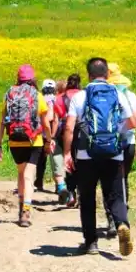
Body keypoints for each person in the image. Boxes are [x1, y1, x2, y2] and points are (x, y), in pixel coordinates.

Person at [61, 57, 136, 257]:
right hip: (113, 154)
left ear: (89, 75)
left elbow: (69, 127)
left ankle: (91, 243)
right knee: (115, 194)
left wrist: (68, 153)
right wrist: (115, 137)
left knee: (87, 198)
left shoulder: (80, 96)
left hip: (86, 155)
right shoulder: (118, 94)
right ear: (107, 74)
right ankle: (121, 223)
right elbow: (131, 123)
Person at [0, 64, 49, 228]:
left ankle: (20, 208)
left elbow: (2, 121)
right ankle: (26, 211)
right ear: (33, 79)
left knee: (21, 173)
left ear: (18, 78)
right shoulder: (37, 96)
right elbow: (46, 123)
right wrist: (49, 139)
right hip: (34, 141)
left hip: (15, 140)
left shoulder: (9, 94)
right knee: (29, 176)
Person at [103, 64, 136, 236]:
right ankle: (122, 217)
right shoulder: (130, 96)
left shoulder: (102, 95)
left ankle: (112, 219)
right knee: (122, 178)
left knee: (109, 179)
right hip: (129, 142)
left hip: (108, 143)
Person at [56, 73, 81, 207]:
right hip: (82, 133)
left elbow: (57, 117)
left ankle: (71, 194)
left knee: (68, 162)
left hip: (65, 133)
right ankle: (82, 193)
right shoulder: (84, 95)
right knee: (82, 163)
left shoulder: (60, 98)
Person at [35, 78, 59, 194]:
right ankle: (58, 186)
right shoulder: (55, 99)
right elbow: (51, 118)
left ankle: (39, 182)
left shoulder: (40, 98)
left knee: (41, 160)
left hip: (40, 133)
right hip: (53, 133)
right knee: (56, 160)